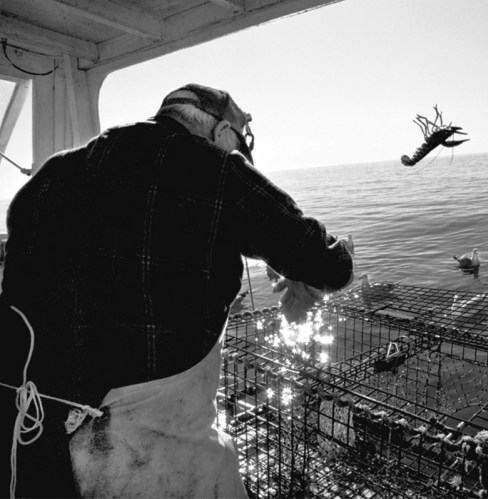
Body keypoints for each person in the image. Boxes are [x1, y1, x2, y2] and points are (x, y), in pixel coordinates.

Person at [0, 83, 354, 498]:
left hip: (30, 436)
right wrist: (342, 253)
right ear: (223, 133)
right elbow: (326, 265)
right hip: (137, 455)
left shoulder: (53, 173)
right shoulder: (216, 170)